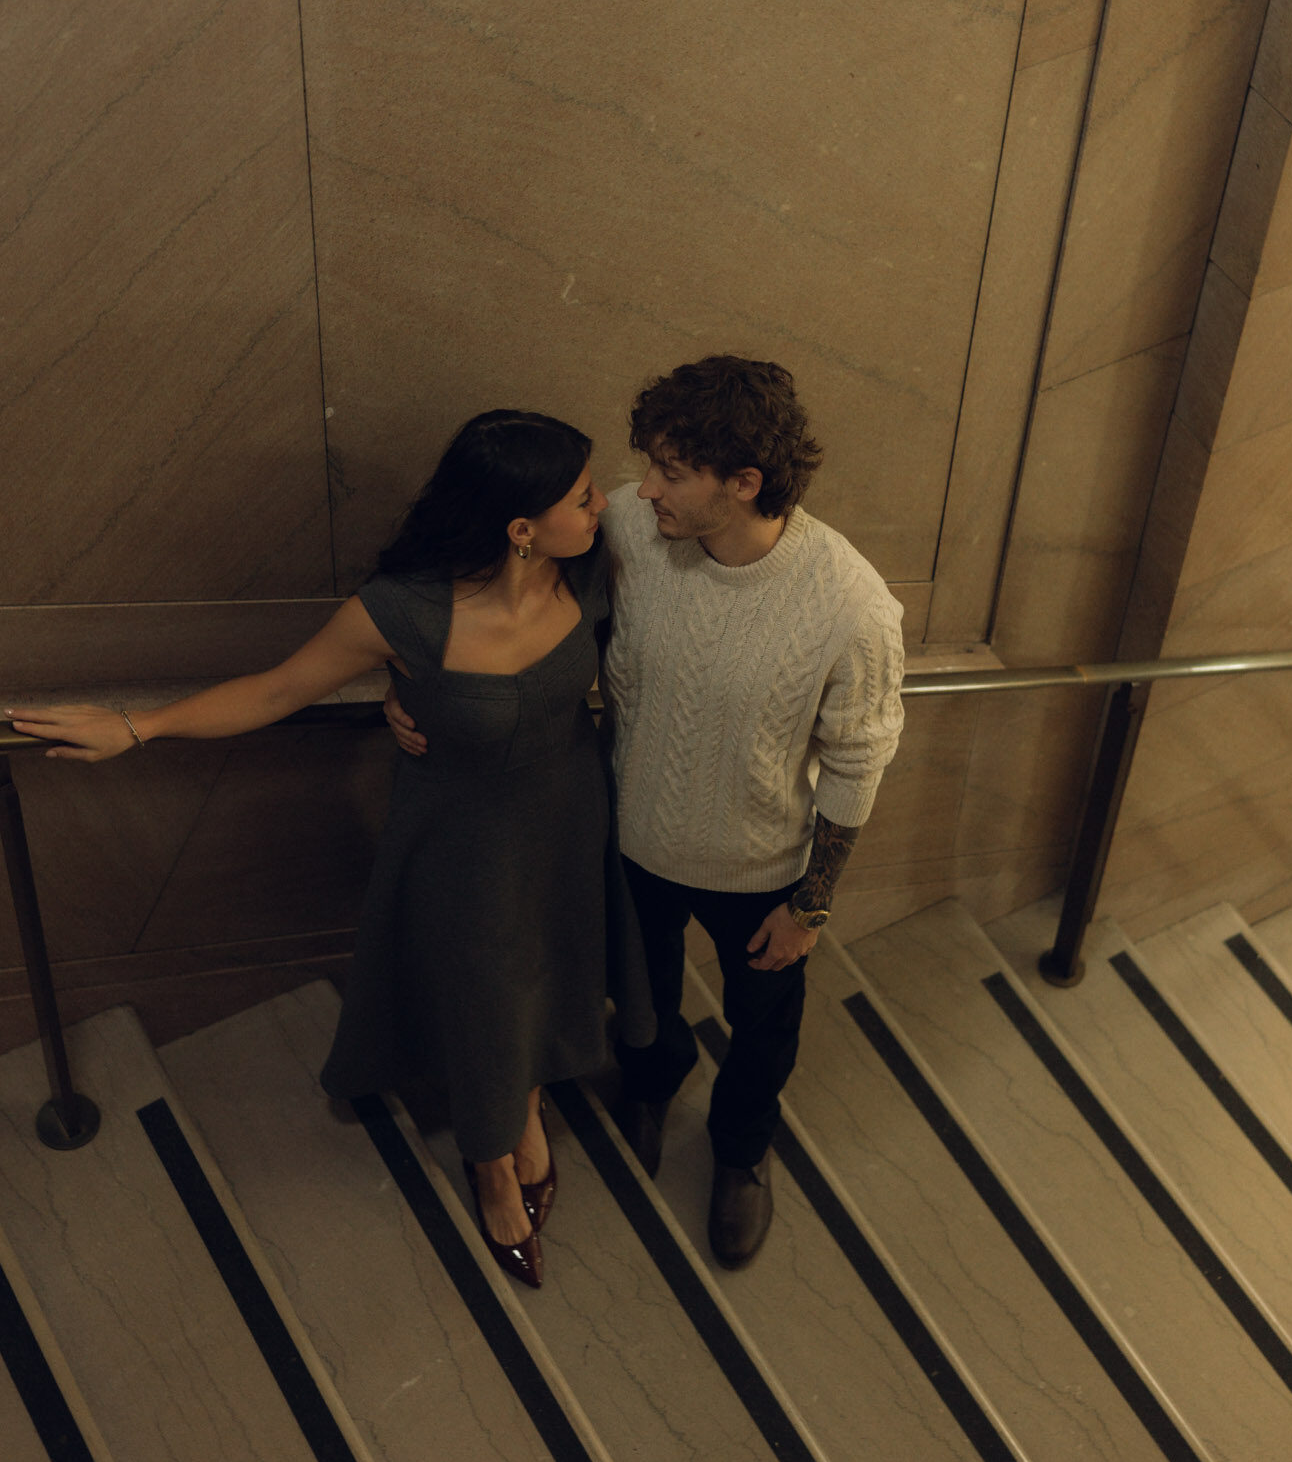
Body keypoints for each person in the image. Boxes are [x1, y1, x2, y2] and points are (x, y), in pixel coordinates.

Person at [7, 409, 653, 1292]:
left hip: (569, 818)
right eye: (582, 496)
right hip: (460, 847)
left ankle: (525, 1108)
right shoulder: (402, 611)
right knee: (487, 997)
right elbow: (275, 690)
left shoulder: (592, 568)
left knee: (549, 973)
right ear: (520, 528)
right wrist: (138, 724)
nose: (603, 502)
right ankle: (492, 1163)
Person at [388, 357, 905, 1270]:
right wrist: (406, 689)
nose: (643, 487)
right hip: (627, 841)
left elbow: (857, 763)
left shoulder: (852, 607)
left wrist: (811, 905)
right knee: (646, 998)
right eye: (649, 465)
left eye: (670, 471)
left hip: (763, 871)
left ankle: (742, 1154)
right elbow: (481, 582)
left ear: (742, 484)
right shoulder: (629, 524)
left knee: (763, 1029)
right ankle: (651, 1084)